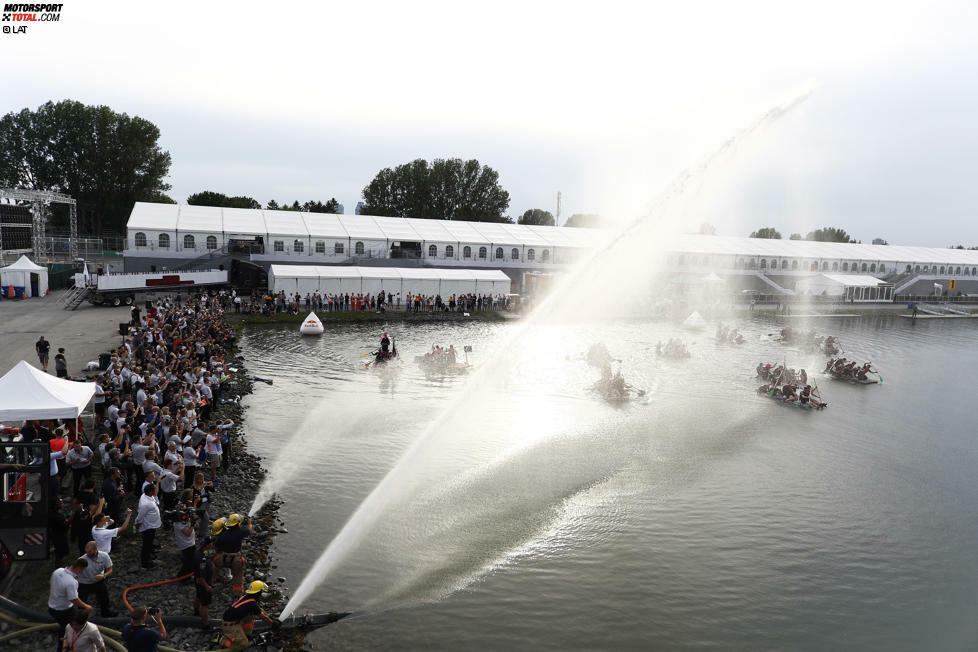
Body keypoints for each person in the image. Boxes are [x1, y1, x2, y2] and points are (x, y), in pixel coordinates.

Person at [49, 557, 92, 652]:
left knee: (64, 626)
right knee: (67, 630)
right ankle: (64, 648)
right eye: (82, 570)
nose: (81, 573)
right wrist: (86, 606)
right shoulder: (71, 582)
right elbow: (73, 599)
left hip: (52, 607)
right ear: (79, 568)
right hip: (64, 610)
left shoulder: (57, 571)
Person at [219, 581, 278, 649]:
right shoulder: (252, 604)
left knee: (252, 615)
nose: (263, 594)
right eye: (262, 592)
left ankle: (246, 634)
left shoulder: (248, 597)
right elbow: (263, 618)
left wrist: (269, 616)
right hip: (229, 625)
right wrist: (272, 623)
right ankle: (222, 640)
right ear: (258, 593)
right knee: (244, 644)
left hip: (234, 619)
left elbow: (260, 610)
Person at [77, 541, 117, 617]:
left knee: (104, 597)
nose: (88, 554)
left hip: (98, 581)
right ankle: (81, 616)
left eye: (90, 552)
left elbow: (110, 569)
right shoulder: (81, 559)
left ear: (96, 549)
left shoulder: (104, 556)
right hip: (84, 583)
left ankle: (105, 613)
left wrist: (104, 575)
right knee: (82, 601)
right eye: (86, 552)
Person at [215, 513, 251, 595]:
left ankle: (215, 580)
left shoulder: (223, 533)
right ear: (238, 523)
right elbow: (249, 530)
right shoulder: (241, 531)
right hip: (236, 560)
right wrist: (249, 522)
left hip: (223, 558)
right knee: (238, 574)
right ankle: (238, 593)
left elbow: (217, 546)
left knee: (215, 567)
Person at [136, 484, 162, 569]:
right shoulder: (146, 504)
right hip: (148, 527)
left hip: (151, 525)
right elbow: (140, 516)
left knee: (149, 543)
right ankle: (145, 563)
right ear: (151, 492)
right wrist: (137, 525)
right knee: (146, 545)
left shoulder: (145, 496)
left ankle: (150, 555)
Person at [194, 538, 216, 628]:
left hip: (199, 582)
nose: (211, 545)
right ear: (207, 545)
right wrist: (207, 586)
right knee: (205, 604)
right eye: (210, 543)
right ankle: (205, 624)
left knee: (198, 596)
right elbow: (200, 576)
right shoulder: (201, 559)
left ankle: (196, 612)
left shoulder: (200, 552)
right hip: (204, 583)